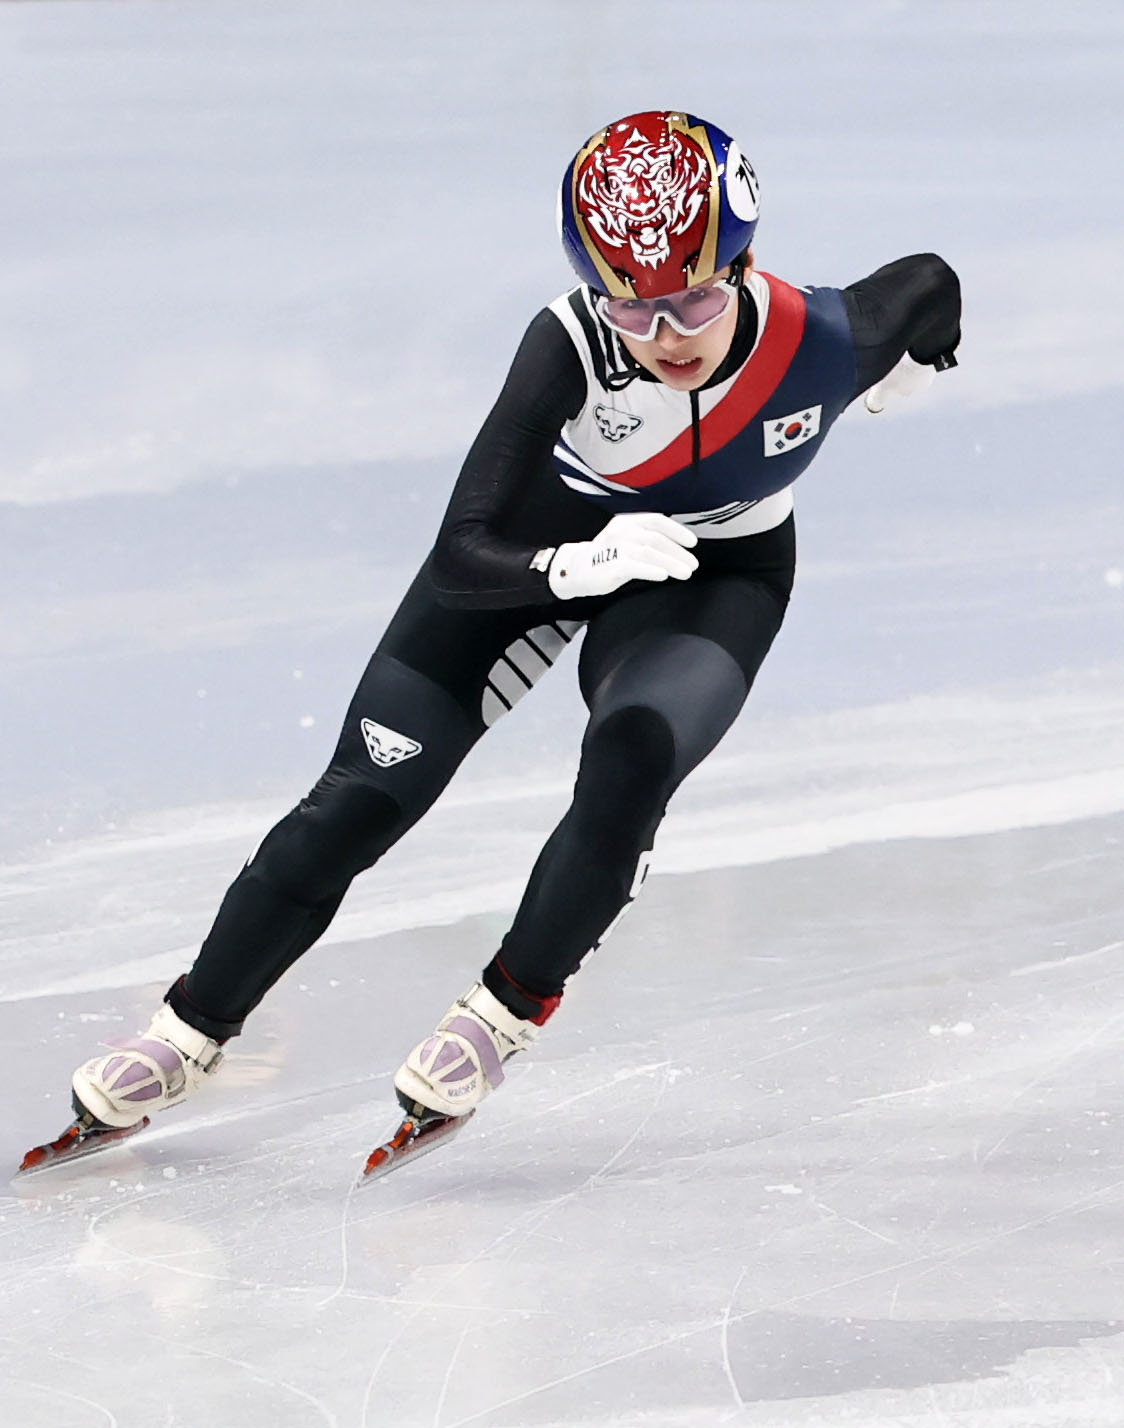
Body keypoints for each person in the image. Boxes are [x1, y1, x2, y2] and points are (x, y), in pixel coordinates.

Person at [63, 110, 960, 1144]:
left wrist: (913, 368)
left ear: (745, 266)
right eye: (633, 310)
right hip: (531, 555)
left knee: (631, 761)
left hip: (710, 572)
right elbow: (461, 549)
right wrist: (575, 563)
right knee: (357, 801)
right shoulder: (568, 345)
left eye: (694, 301)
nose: (665, 336)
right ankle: (185, 1033)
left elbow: (930, 285)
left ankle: (503, 1012)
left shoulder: (826, 340)